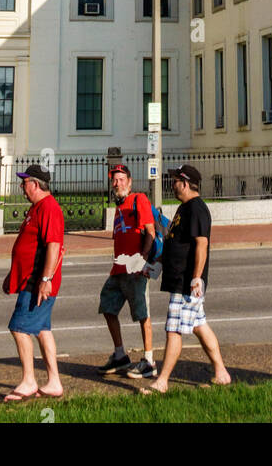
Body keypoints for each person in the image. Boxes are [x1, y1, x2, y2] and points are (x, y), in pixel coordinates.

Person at [145, 164, 230, 393]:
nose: (171, 185)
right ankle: (221, 373)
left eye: (174, 181)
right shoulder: (184, 208)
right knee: (200, 325)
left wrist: (196, 278)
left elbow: (202, 244)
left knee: (173, 330)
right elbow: (175, 243)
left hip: (186, 283)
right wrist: (155, 266)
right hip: (179, 279)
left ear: (185, 183)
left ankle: (162, 381)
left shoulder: (197, 209)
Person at [1, 163, 65, 401]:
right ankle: (54, 382)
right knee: (42, 330)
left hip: (37, 282)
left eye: (24, 182)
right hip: (31, 279)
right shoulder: (37, 208)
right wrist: (12, 274)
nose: (21, 186)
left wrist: (45, 279)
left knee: (18, 327)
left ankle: (29, 381)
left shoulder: (49, 207)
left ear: (36, 184)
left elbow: (54, 245)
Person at [97, 163, 158, 378]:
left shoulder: (138, 199)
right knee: (107, 306)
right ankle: (120, 355)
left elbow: (150, 231)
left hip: (136, 269)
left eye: (121, 179)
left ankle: (149, 360)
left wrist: (142, 260)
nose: (117, 183)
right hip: (118, 269)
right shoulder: (119, 207)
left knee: (142, 314)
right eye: (114, 180)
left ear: (130, 182)